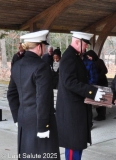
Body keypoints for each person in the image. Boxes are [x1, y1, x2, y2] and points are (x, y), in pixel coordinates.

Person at [7, 30, 60, 159]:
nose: (45, 48)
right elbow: (43, 99)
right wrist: (43, 126)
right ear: (39, 46)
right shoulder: (41, 66)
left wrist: (17, 117)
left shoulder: (17, 65)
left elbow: (11, 94)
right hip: (40, 120)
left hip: (24, 120)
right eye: (44, 46)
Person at [56, 31, 105, 160]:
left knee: (77, 144)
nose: (86, 47)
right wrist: (91, 92)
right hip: (72, 111)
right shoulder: (69, 57)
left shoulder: (75, 56)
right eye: (85, 44)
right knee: (73, 146)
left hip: (76, 109)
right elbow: (70, 82)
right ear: (78, 42)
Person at [86, 50, 108, 121]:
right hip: (95, 83)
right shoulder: (89, 63)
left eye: (90, 56)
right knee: (97, 100)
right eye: (88, 57)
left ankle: (102, 115)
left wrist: (98, 76)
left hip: (102, 82)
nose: (89, 58)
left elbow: (105, 70)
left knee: (102, 100)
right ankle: (99, 114)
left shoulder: (99, 61)